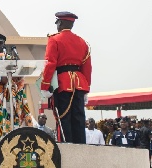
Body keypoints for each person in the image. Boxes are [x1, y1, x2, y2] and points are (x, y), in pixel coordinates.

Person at [40, 11, 92, 144]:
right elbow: (87, 67)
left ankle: (66, 146)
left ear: (61, 23)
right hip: (80, 83)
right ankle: (80, 146)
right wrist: (87, 89)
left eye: (57, 22)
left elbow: (50, 64)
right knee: (79, 117)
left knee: (63, 117)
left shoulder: (54, 39)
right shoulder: (83, 42)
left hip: (63, 83)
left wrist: (45, 86)